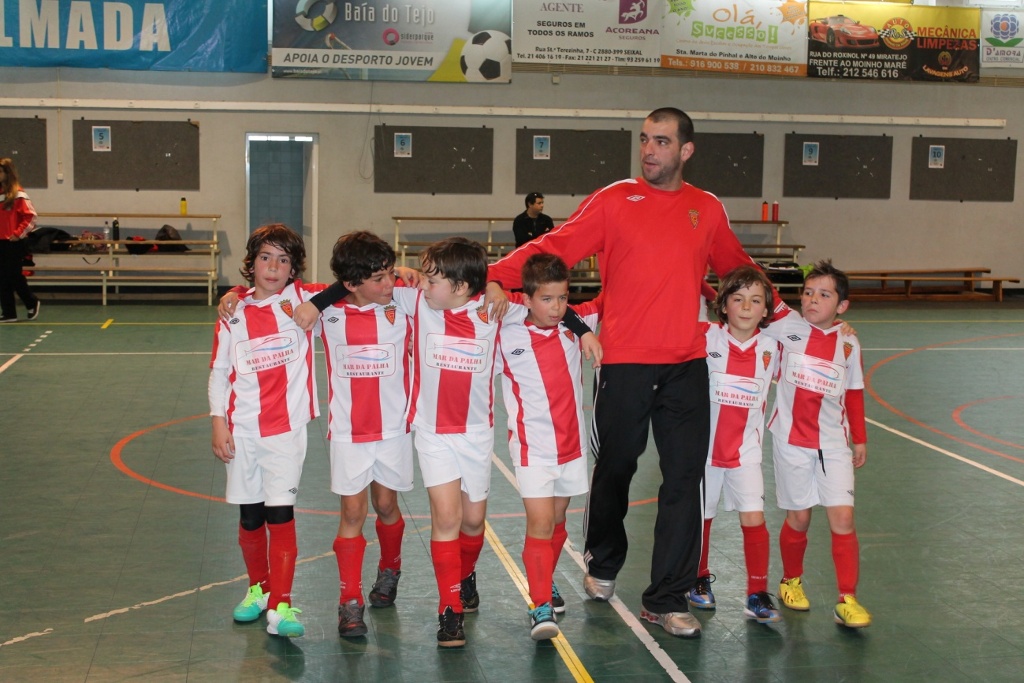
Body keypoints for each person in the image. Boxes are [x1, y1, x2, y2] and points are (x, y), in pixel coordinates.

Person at [485, 107, 780, 638]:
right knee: (616, 468)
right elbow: (556, 246)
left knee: (685, 478)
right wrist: (492, 276)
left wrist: (794, 320)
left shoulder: (706, 208)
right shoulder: (615, 200)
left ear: (685, 150)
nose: (649, 149)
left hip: (686, 364)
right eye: (644, 139)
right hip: (622, 362)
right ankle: (602, 559)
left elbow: (737, 272)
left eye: (661, 141)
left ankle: (667, 597)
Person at [208, 223, 322, 639]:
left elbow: (351, 283)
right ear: (251, 263)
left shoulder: (304, 301)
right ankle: (258, 589)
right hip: (241, 431)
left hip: (285, 433)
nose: (273, 267)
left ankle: (282, 604)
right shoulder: (233, 312)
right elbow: (219, 371)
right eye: (265, 258)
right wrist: (218, 422)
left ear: (294, 269)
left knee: (280, 513)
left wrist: (401, 272)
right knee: (250, 514)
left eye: (283, 260)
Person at [495, 254, 602, 641]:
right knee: (540, 524)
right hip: (532, 449)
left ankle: (545, 578)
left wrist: (583, 328)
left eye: (562, 298)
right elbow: (480, 299)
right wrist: (497, 288)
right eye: (546, 299)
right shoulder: (505, 334)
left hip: (570, 447)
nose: (556, 307)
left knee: (557, 522)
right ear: (526, 299)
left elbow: (612, 298)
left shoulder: (575, 327)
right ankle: (539, 604)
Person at [765, 259, 871, 629]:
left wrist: (860, 438)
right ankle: (790, 581)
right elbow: (751, 295)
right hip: (790, 442)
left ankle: (847, 599)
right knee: (800, 517)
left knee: (843, 517)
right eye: (808, 292)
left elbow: (854, 392)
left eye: (824, 295)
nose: (813, 300)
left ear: (842, 306)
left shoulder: (848, 341)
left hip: (834, 444)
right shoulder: (785, 326)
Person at [689, 265, 782, 624]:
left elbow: (809, 337)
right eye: (738, 299)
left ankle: (757, 593)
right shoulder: (706, 336)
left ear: (766, 310)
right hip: (705, 451)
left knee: (754, 518)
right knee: (702, 517)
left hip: (746, 452)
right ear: (723, 304)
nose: (746, 307)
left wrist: (841, 328)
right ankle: (698, 579)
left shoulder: (774, 347)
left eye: (755, 301)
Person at [0, 158, 41, 323]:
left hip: (13, 242)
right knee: (2, 278)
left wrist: (18, 234)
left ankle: (32, 302)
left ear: (7, 173)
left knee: (14, 276)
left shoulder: (18, 194)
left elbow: (31, 217)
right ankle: (9, 312)